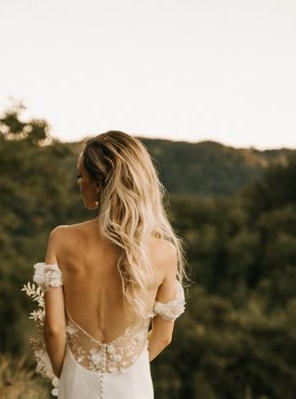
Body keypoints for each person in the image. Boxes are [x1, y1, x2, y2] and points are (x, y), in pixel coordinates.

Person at [32, 130, 187, 398]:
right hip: (134, 386)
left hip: (76, 381)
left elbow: (54, 329)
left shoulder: (61, 239)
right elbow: (163, 336)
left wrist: (66, 374)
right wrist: (126, 367)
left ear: (99, 183)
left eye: (81, 175)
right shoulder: (164, 252)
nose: (79, 182)